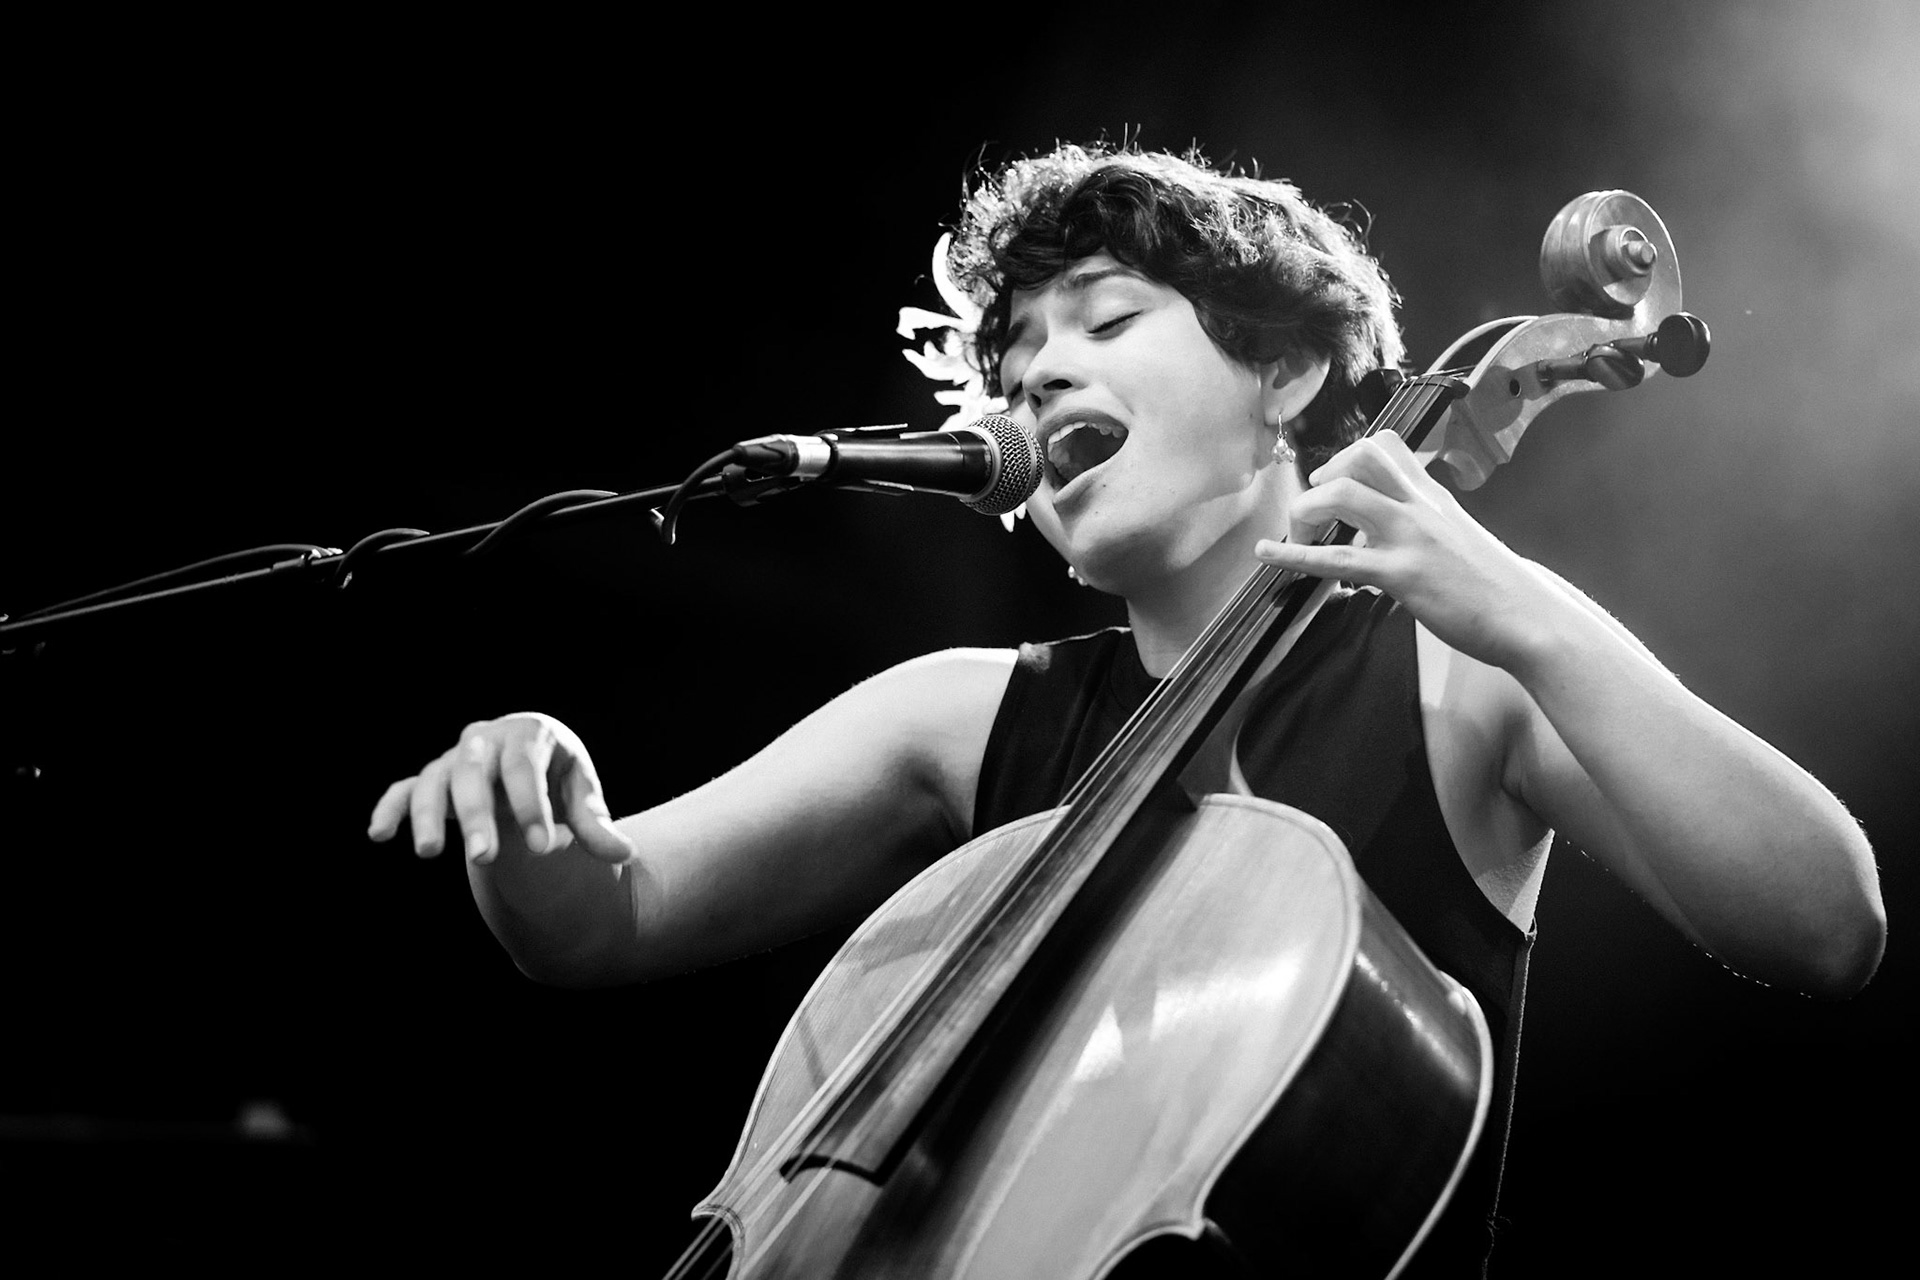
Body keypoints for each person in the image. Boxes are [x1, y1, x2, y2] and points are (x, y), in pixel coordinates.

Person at [366, 143, 1885, 1276]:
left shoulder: (1455, 672)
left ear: (1285, 369)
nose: (1035, 385)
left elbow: (1824, 920)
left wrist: (1521, 608)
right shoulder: (964, 714)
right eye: (1015, 368)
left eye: (1100, 323)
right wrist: (536, 814)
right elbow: (598, 916)